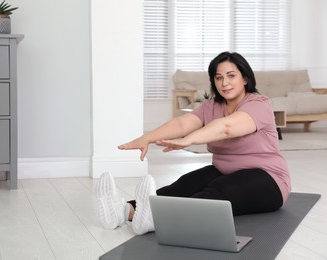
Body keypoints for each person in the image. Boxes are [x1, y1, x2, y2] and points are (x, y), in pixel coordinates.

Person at [96, 51, 291, 235]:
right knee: (183, 186)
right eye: (219, 77)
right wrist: (147, 137)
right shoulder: (211, 106)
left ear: (245, 78)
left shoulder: (259, 104)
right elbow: (182, 123)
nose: (225, 83)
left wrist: (188, 140)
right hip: (225, 170)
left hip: (269, 179)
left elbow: (227, 128)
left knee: (220, 190)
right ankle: (124, 211)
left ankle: (156, 219)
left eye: (231, 76)